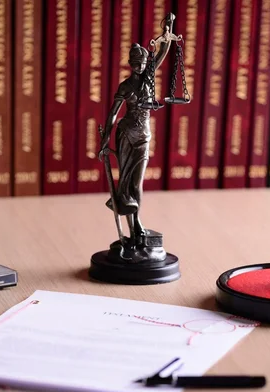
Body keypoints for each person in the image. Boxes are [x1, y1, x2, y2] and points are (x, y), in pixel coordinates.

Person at [98, 14, 175, 242]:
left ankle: (137, 221)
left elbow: (163, 52)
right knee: (124, 181)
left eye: (142, 63)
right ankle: (133, 230)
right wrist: (105, 141)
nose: (139, 67)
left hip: (143, 136)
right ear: (130, 64)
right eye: (135, 64)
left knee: (137, 183)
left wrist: (168, 31)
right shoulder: (124, 86)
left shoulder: (149, 77)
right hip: (126, 135)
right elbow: (113, 113)